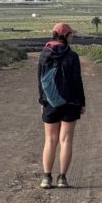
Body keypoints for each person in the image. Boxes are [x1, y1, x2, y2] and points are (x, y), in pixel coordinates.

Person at [36, 22, 86, 189]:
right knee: (66, 140)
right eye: (71, 34)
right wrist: (81, 103)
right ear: (65, 36)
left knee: (50, 140)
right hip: (70, 103)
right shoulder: (72, 56)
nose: (73, 36)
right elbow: (77, 81)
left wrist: (43, 100)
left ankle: (46, 178)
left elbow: (39, 80)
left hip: (50, 103)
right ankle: (62, 178)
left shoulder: (44, 54)